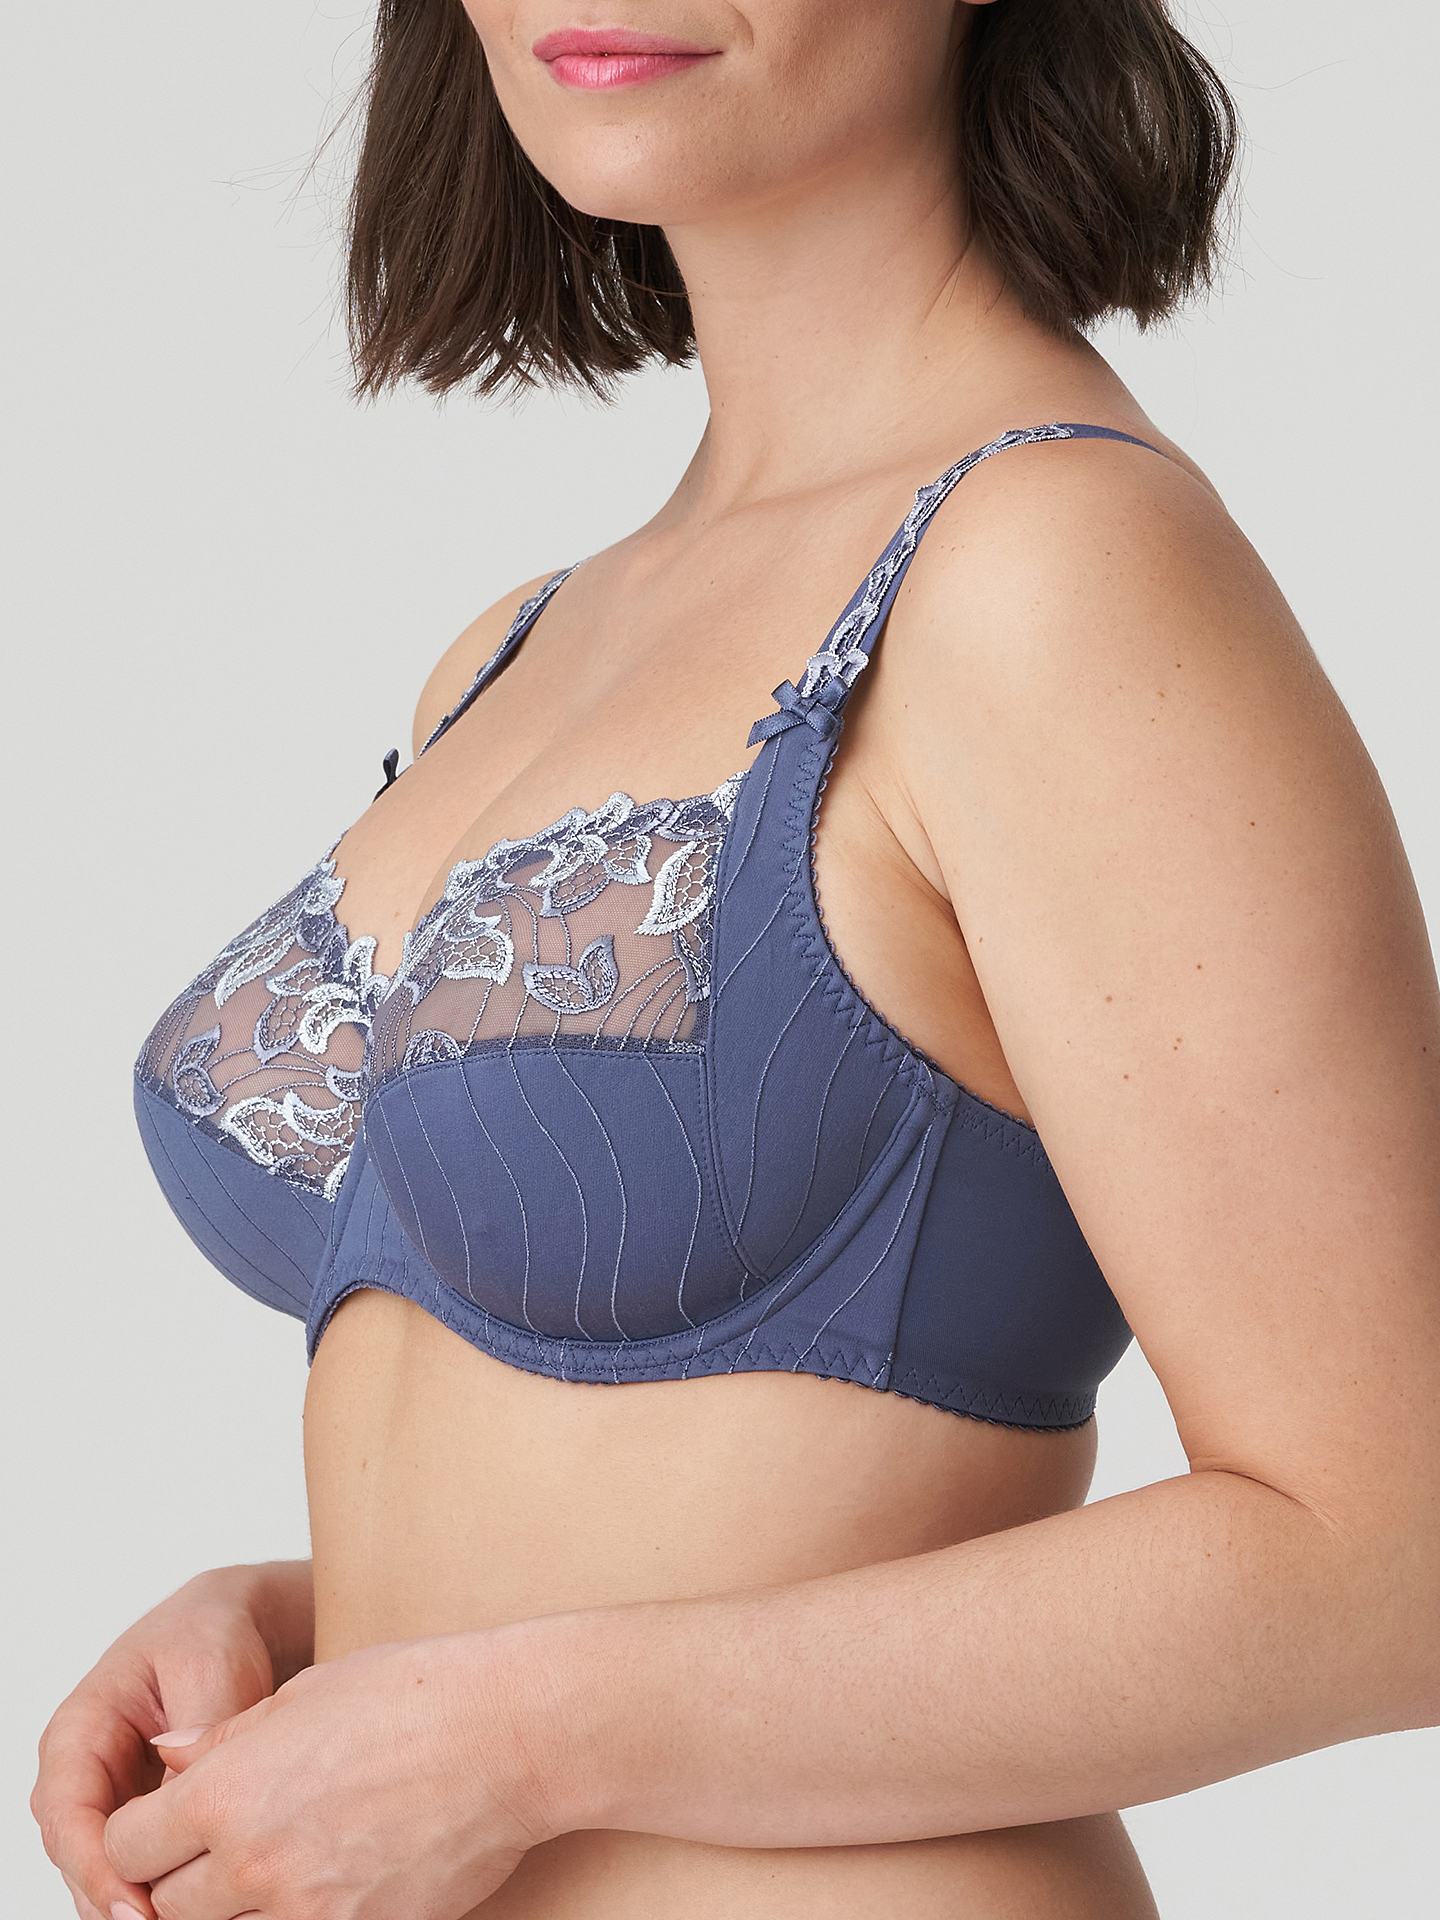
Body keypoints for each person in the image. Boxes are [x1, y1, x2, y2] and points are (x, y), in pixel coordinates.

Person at [33, 4, 1440, 1918]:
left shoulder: (1054, 569)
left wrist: (513, 1739)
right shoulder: (515, 649)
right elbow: (712, 1505)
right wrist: (322, 1636)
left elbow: (1391, 1556)